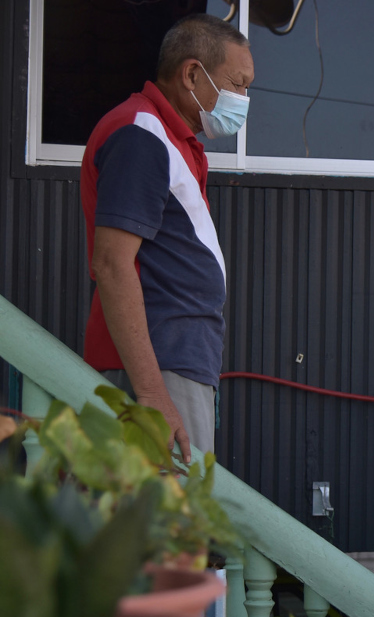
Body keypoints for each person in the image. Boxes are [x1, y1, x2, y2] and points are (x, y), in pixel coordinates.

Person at [81, 14, 253, 463]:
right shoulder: (141, 133)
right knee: (168, 525)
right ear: (192, 73)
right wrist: (153, 393)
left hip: (175, 363)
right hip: (157, 368)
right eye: (238, 84)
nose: (244, 99)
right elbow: (112, 264)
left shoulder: (173, 141)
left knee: (171, 522)